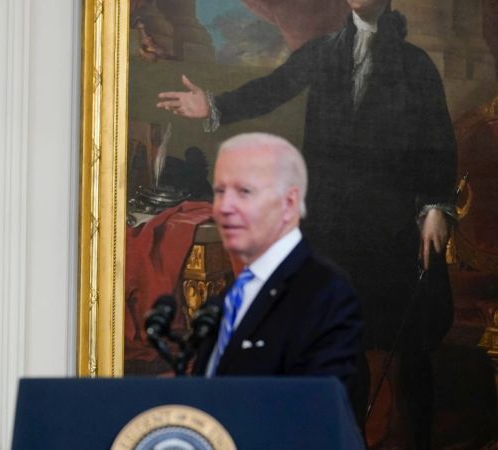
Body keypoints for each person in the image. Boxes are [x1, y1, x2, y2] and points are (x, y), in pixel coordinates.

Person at [158, 1, 455, 446]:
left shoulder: (416, 65)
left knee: (408, 344)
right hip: (334, 225)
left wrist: (435, 206)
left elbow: (438, 141)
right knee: (340, 343)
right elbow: (272, 88)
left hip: (392, 229)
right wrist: (213, 105)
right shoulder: (324, 51)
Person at [198, 133, 362, 390]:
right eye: (219, 191)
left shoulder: (326, 294)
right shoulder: (225, 300)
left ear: (289, 203)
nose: (224, 207)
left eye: (244, 191)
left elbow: (318, 414)